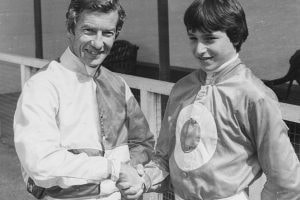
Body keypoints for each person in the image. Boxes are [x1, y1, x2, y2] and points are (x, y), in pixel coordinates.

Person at [118, 0, 300, 199]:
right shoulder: (182, 88)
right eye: (193, 38)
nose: (199, 49)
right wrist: (144, 180)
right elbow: (164, 158)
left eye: (209, 39)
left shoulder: (254, 96)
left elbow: (285, 180)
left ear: (235, 37)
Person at [13, 0, 154, 199]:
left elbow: (144, 142)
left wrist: (133, 174)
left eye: (107, 33)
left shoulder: (119, 85)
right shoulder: (41, 86)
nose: (98, 43)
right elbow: (41, 163)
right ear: (70, 28)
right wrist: (115, 169)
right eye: (88, 30)